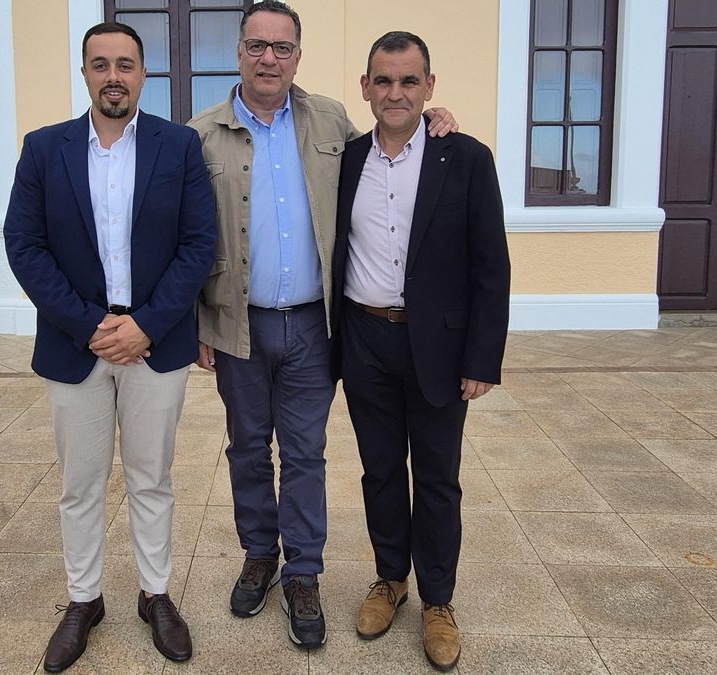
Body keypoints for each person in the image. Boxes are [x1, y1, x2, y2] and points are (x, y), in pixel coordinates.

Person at [187, 0, 457, 649]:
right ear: (240, 52)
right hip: (237, 324)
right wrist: (198, 320)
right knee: (248, 448)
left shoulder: (332, 119)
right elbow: (189, 235)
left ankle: (302, 570)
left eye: (282, 47)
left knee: (305, 453)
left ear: (298, 56)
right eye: (257, 45)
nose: (269, 58)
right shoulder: (199, 134)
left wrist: (437, 120)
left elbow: (396, 141)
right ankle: (260, 554)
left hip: (315, 324)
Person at [3, 21, 216, 673]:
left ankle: (155, 595)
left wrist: (147, 323)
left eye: (125, 64)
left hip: (155, 341)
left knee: (152, 477)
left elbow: (199, 244)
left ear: (143, 74)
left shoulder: (178, 147)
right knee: (81, 482)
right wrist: (88, 323)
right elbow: (25, 245)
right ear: (86, 73)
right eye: (101, 64)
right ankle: (83, 599)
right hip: (78, 344)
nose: (114, 76)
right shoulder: (45, 149)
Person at [330, 31, 510, 671]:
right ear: (366, 88)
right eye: (384, 80)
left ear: (429, 88)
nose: (396, 92)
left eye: (409, 81)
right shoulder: (346, 159)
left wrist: (480, 359)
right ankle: (390, 579)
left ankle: (438, 600)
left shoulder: (464, 157)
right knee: (379, 469)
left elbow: (492, 264)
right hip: (364, 338)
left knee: (436, 478)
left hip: (436, 344)